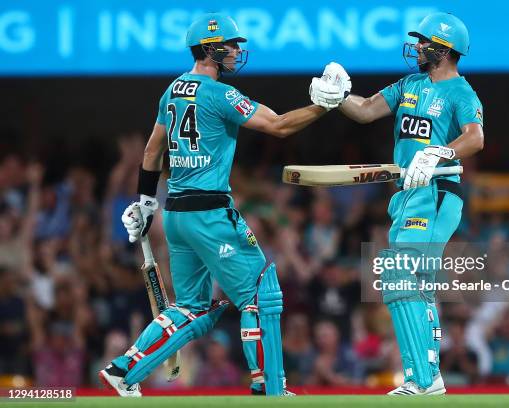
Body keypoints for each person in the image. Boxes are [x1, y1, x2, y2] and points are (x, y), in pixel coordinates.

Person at [99, 12, 334, 397]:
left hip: (176, 212)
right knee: (261, 292)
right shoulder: (219, 93)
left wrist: (144, 201)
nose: (237, 51)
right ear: (210, 49)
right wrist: (325, 105)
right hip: (210, 213)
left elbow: (152, 150)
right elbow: (278, 126)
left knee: (191, 306)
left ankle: (124, 369)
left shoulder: (171, 90)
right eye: (231, 45)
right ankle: (271, 388)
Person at [310, 12, 485, 395]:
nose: (417, 47)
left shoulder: (461, 93)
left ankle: (422, 379)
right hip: (406, 195)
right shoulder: (410, 83)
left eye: (424, 41)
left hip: (436, 192)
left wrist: (440, 153)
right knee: (413, 283)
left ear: (444, 49)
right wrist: (336, 98)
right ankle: (424, 378)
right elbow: (368, 109)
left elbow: (475, 139)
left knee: (399, 274)